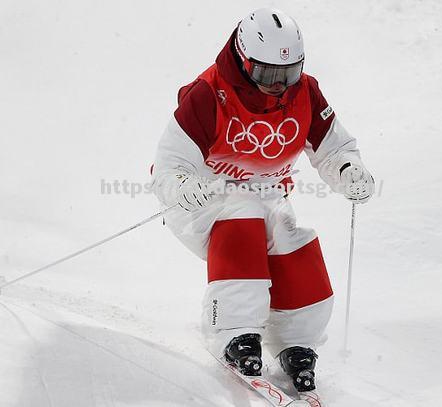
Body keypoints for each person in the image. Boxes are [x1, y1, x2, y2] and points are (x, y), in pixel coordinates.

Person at [151, 8, 374, 394]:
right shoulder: (208, 94)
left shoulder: (304, 91)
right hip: (205, 201)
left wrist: (349, 170)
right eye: (267, 75)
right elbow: (170, 164)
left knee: (292, 236)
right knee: (245, 214)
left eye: (288, 74)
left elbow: (334, 147)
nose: (278, 86)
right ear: (243, 59)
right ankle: (234, 332)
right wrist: (182, 185)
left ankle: (297, 342)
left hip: (268, 196)